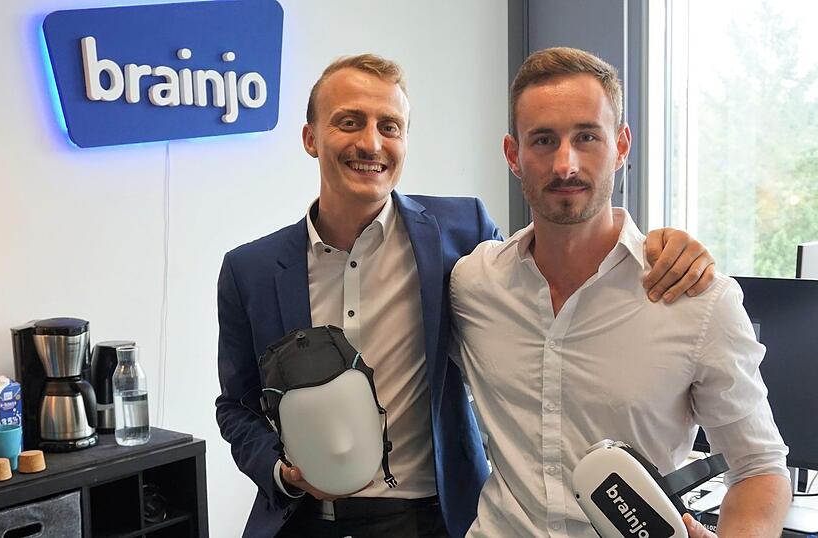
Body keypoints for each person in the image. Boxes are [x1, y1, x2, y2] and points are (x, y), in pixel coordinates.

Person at [216, 53, 716, 538]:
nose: (370, 143)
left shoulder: (461, 231)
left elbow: (551, 270)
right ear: (310, 138)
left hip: (436, 520)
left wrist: (655, 245)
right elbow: (235, 407)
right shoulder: (250, 270)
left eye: (389, 126)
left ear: (405, 140)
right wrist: (281, 471)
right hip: (304, 521)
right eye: (349, 122)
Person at [449, 47, 792, 538]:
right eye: (543, 140)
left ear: (622, 145)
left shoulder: (697, 298)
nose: (565, 164)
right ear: (513, 155)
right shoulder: (473, 283)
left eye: (587, 136)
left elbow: (759, 466)